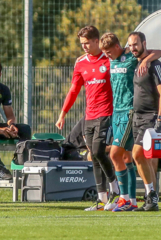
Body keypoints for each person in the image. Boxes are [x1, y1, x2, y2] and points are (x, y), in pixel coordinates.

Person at [55, 26, 119, 211]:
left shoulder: (109, 60)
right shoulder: (80, 63)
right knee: (93, 156)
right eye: (81, 43)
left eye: (86, 43)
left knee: (99, 151)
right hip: (89, 116)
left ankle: (115, 189)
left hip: (107, 113)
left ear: (96, 41)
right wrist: (63, 113)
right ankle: (101, 200)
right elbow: (74, 90)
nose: (83, 46)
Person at [99, 32, 161, 211]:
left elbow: (159, 52)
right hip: (116, 111)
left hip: (129, 111)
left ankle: (124, 198)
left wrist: (145, 61)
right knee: (127, 157)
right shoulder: (110, 60)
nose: (107, 56)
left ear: (118, 47)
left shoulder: (131, 55)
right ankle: (132, 201)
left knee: (114, 154)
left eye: (109, 52)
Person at [128, 32, 161, 211]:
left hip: (150, 117)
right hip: (137, 116)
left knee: (137, 154)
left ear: (144, 43)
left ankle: (151, 195)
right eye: (130, 45)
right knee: (143, 158)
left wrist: (160, 117)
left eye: (136, 44)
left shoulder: (155, 65)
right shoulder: (135, 62)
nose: (133, 48)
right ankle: (151, 197)